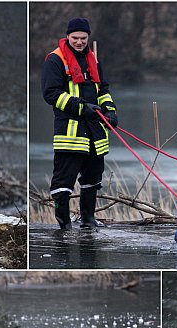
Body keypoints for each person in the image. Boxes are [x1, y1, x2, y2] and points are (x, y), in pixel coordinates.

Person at [42, 18, 118, 230]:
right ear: (67, 36)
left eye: (83, 38)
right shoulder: (55, 60)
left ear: (88, 38)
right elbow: (51, 94)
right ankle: (64, 223)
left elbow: (103, 90)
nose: (79, 42)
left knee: (93, 178)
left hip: (95, 131)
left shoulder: (94, 59)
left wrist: (110, 111)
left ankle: (88, 220)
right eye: (75, 38)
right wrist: (81, 106)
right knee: (63, 182)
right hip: (70, 131)